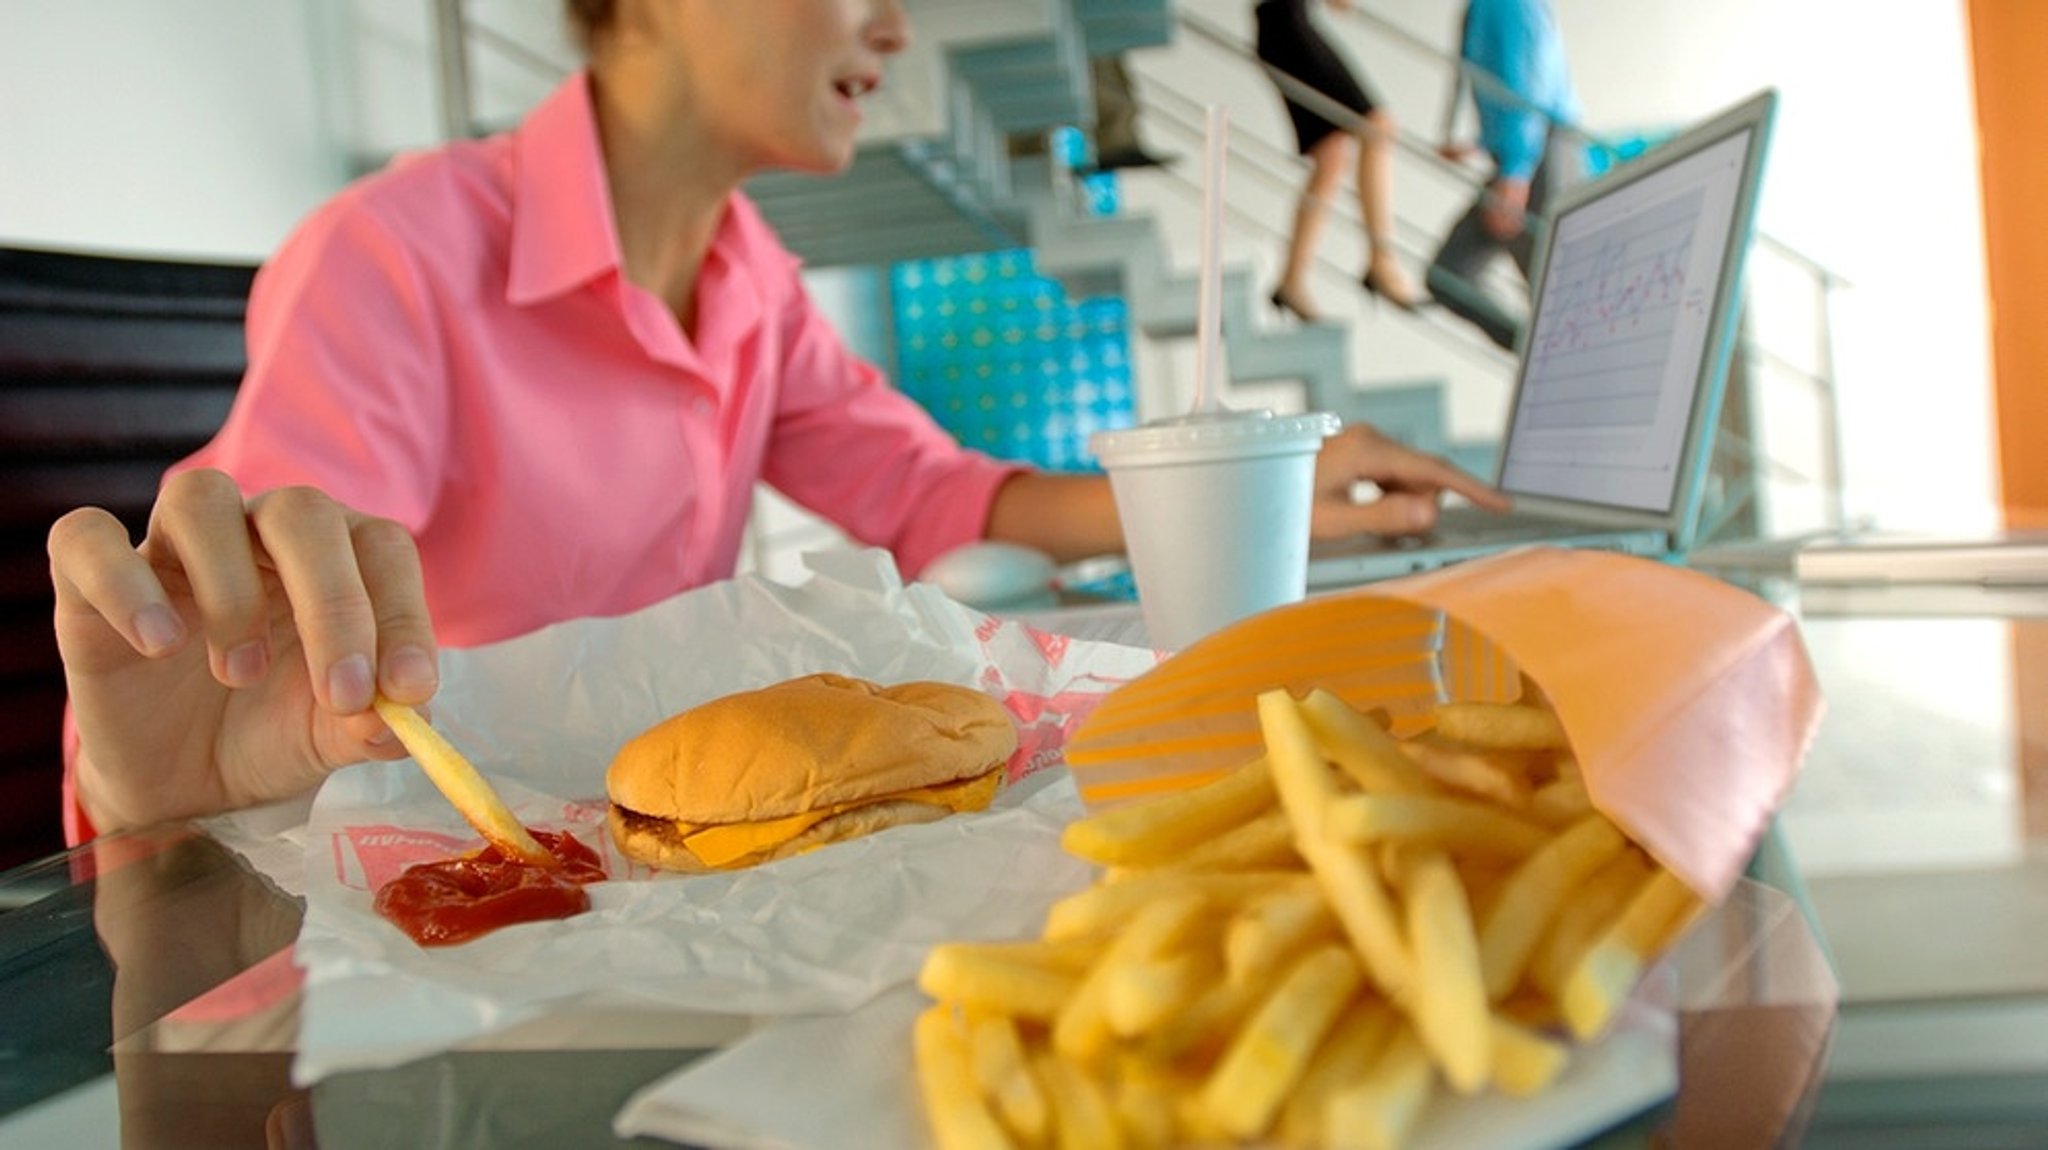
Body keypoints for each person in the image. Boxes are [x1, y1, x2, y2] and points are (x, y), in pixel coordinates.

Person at [45, 0, 1509, 843]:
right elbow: (248, 656)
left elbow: (937, 488)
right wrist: (162, 765)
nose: (892, 23)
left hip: (682, 874)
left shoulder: (754, 280)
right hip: (458, 893)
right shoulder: (397, 253)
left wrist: (1271, 496)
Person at [1253, 0, 1423, 323]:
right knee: (1377, 126)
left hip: (1284, 24)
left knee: (1330, 158)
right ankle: (1381, 260)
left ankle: (1292, 280)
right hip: (1285, 25)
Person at [1425, 0, 1581, 350]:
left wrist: (1515, 171)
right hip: (1525, 151)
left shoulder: (1508, 3)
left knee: (1556, 294)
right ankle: (1540, 352)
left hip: (1537, 156)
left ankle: (1551, 354)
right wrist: (1481, 143)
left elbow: (1527, 88)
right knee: (1450, 274)